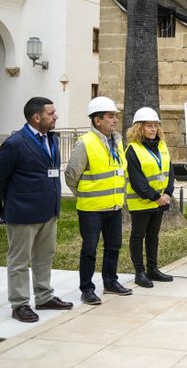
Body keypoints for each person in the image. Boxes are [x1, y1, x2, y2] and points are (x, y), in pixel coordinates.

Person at [0, 97, 74, 322]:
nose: (56, 116)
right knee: (19, 260)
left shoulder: (52, 139)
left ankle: (44, 297)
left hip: (49, 211)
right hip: (23, 213)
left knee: (44, 256)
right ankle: (19, 304)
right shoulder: (15, 143)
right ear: (37, 117)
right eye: (51, 113)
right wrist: (14, 198)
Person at [65, 96, 132, 305]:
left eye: (115, 116)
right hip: (91, 209)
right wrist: (84, 194)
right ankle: (87, 289)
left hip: (114, 206)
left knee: (114, 246)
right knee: (89, 250)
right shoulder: (85, 143)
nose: (115, 120)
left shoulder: (117, 141)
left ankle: (110, 282)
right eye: (110, 116)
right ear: (97, 120)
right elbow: (71, 176)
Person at [124, 107, 175, 288]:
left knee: (153, 235)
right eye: (149, 126)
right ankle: (139, 272)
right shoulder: (132, 150)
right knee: (138, 236)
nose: (153, 129)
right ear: (139, 128)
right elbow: (137, 180)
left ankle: (153, 268)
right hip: (142, 202)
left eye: (155, 126)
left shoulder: (161, 146)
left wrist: (168, 193)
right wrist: (155, 197)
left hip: (160, 201)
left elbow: (170, 171)